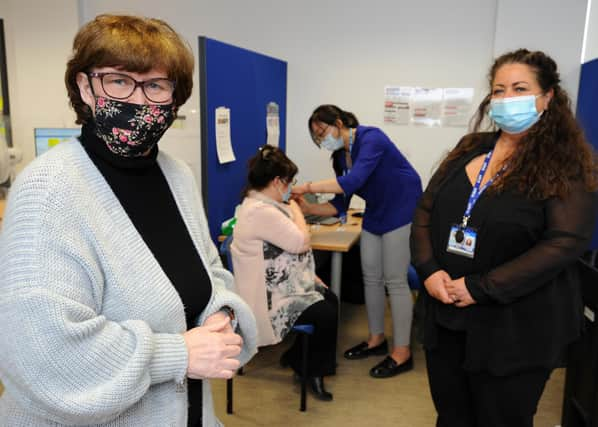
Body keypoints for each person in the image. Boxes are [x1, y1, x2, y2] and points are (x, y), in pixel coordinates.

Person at [0, 14, 257, 426]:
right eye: (119, 81)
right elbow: (44, 356)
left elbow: (210, 273)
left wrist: (221, 314)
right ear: (84, 86)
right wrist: (180, 355)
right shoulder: (48, 190)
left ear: (175, 99)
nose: (138, 101)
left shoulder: (176, 175)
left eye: (155, 86)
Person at [410, 49, 598, 427]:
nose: (507, 98)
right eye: (499, 90)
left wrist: (480, 287)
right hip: (446, 316)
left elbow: (565, 242)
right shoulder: (470, 148)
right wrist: (429, 270)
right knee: (451, 415)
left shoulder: (565, 164)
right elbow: (424, 212)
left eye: (519, 88)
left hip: (516, 328)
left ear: (546, 98)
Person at [293, 105, 422, 378]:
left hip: (402, 208)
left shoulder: (371, 138)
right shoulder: (341, 157)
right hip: (375, 211)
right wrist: (308, 208)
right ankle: (377, 339)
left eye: (322, 131)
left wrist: (307, 187)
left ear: (339, 123)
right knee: (371, 277)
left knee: (395, 280)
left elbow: (355, 180)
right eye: (316, 137)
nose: (321, 139)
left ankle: (402, 352)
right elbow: (341, 201)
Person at [231, 145, 338, 401]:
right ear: (278, 182)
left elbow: (283, 254)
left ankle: (297, 357)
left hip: (275, 286)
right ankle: (311, 372)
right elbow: (301, 242)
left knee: (329, 298)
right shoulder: (261, 211)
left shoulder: (265, 205)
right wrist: (298, 210)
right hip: (265, 298)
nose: (292, 187)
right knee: (326, 312)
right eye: (291, 182)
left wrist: (309, 277)